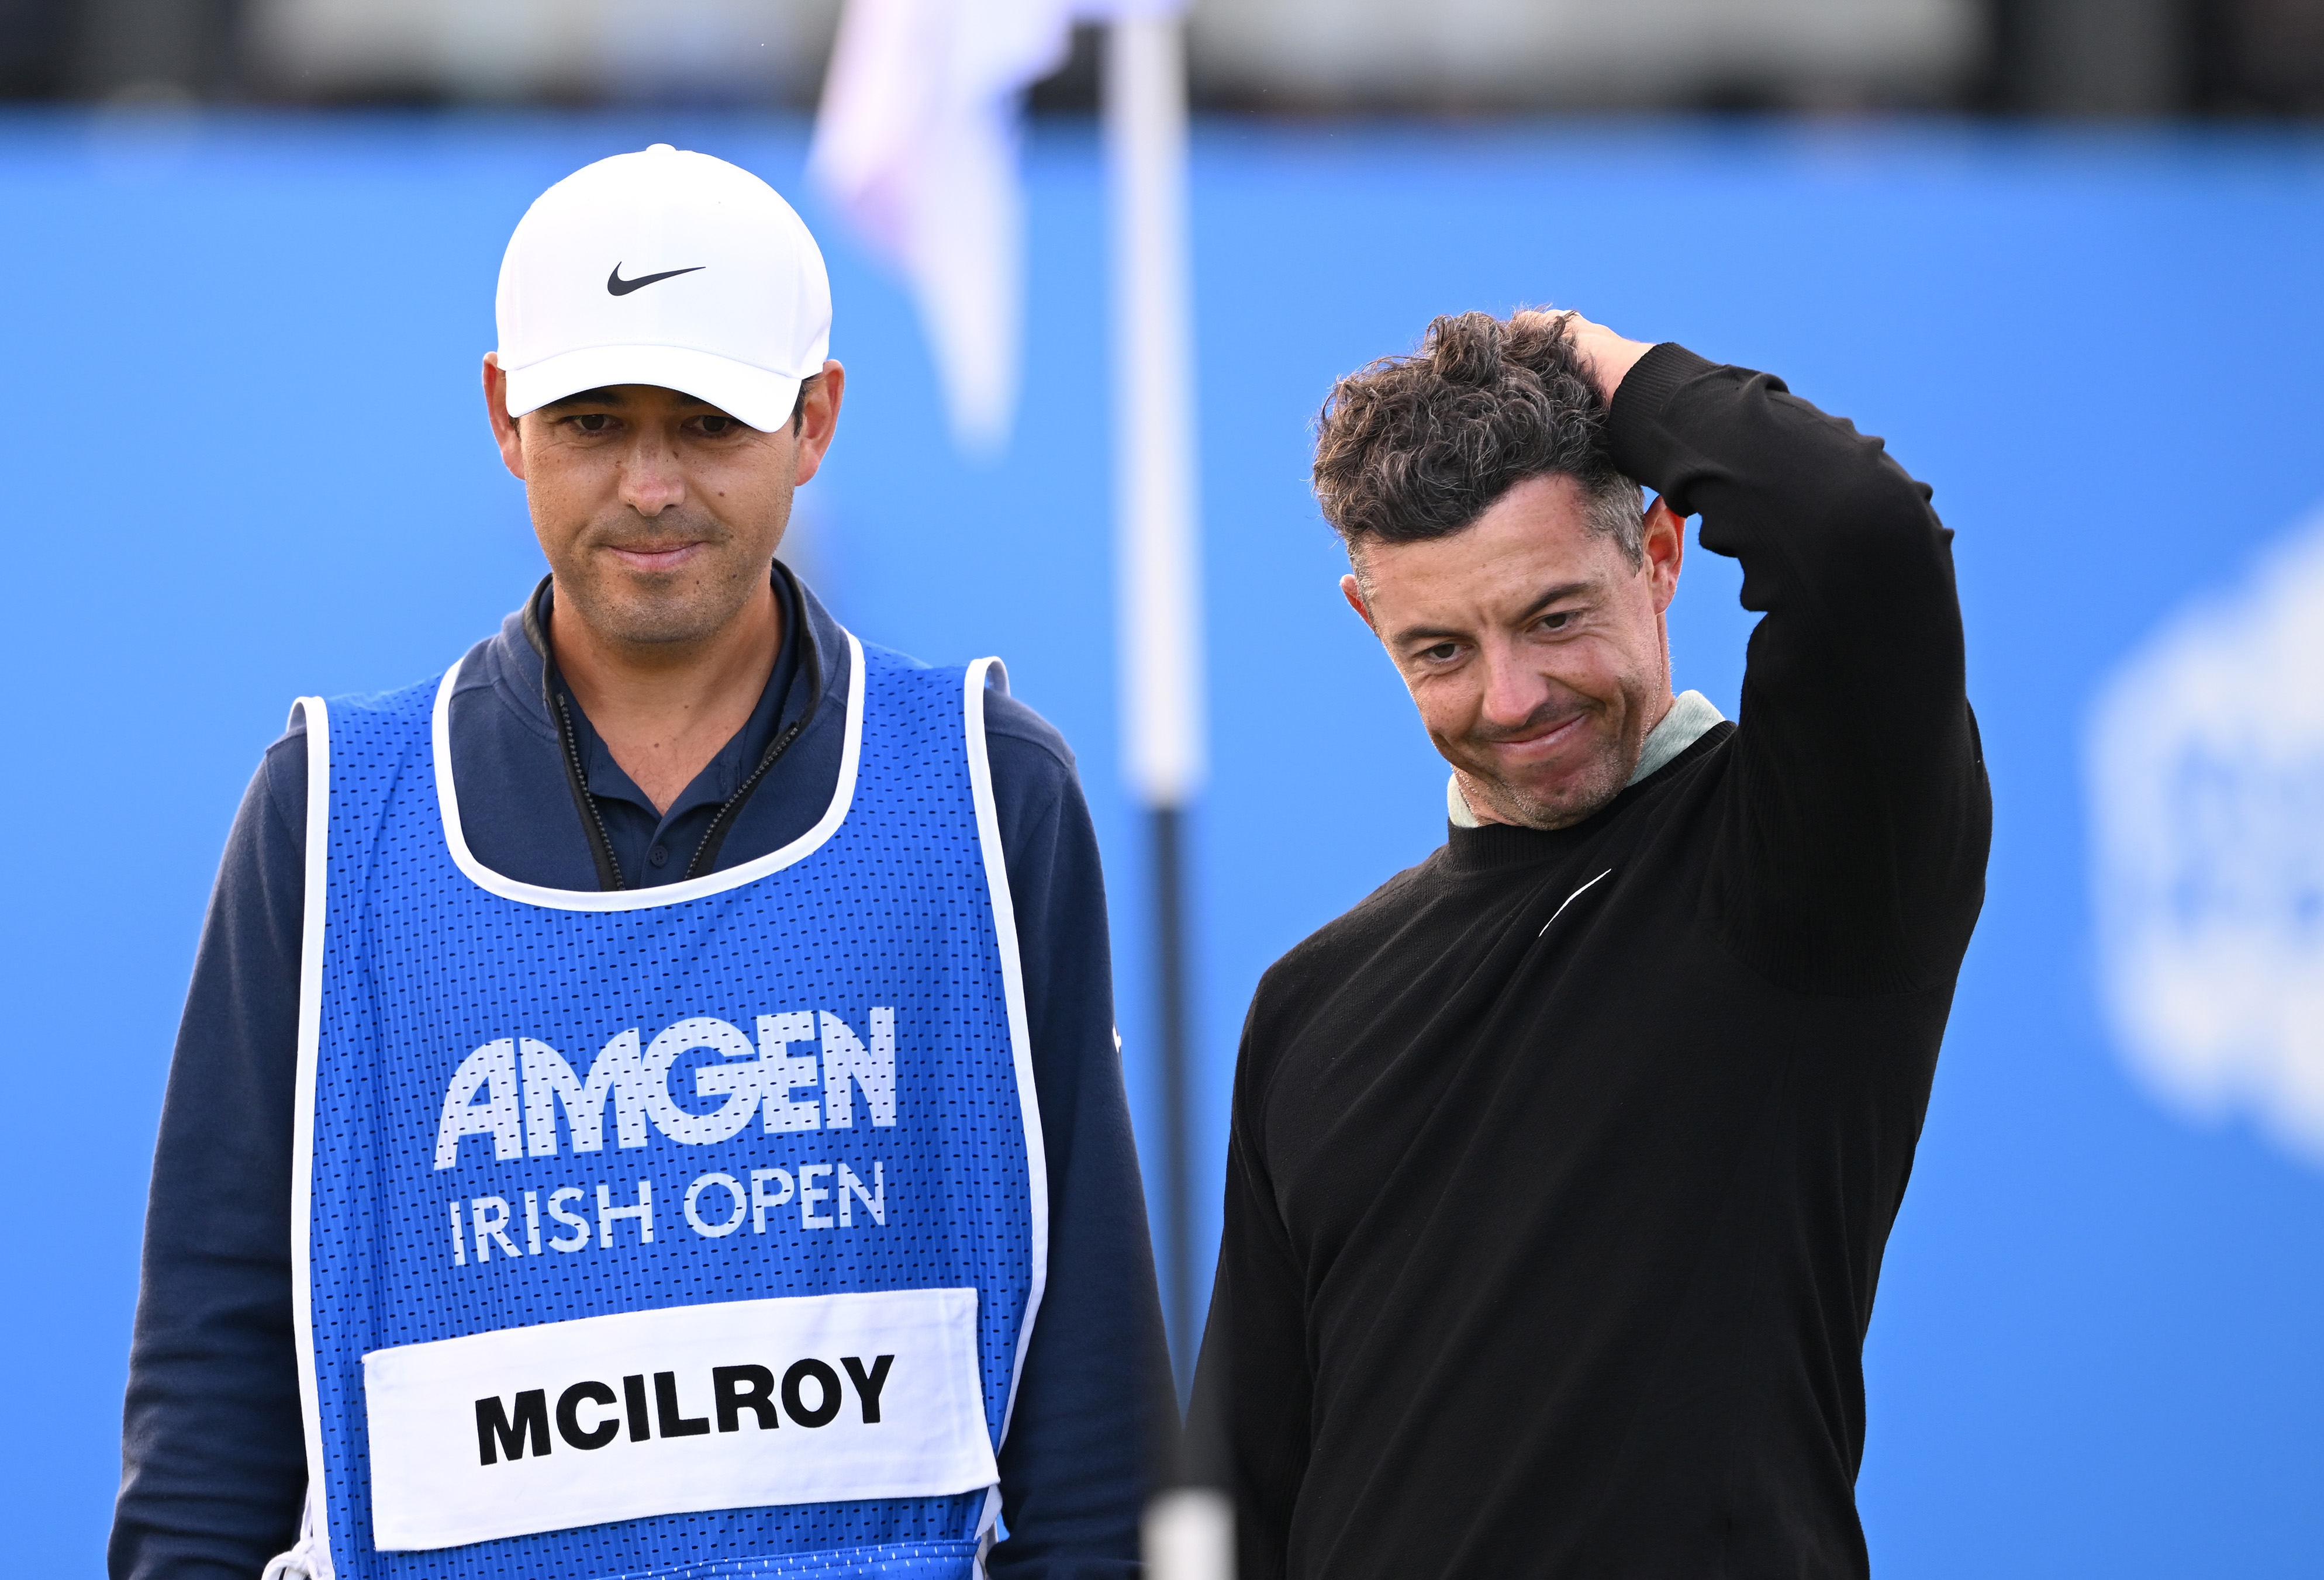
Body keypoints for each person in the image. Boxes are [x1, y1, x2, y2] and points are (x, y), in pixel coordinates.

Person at [110, 144, 1168, 1580]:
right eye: (596, 420)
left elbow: (1088, 1366)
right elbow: (217, 1350)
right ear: (504, 414)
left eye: (710, 423)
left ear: (813, 419)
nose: (651, 485)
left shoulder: (983, 790)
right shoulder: (331, 812)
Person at [1187, 309, 1990, 1578]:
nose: (1511, 698)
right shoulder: (1310, 999)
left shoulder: (1803, 860)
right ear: (1366, 619)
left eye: (1554, 616)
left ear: (1660, 551)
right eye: (1440, 649)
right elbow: (1238, 1481)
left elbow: (1856, 538)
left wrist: (1593, 358)